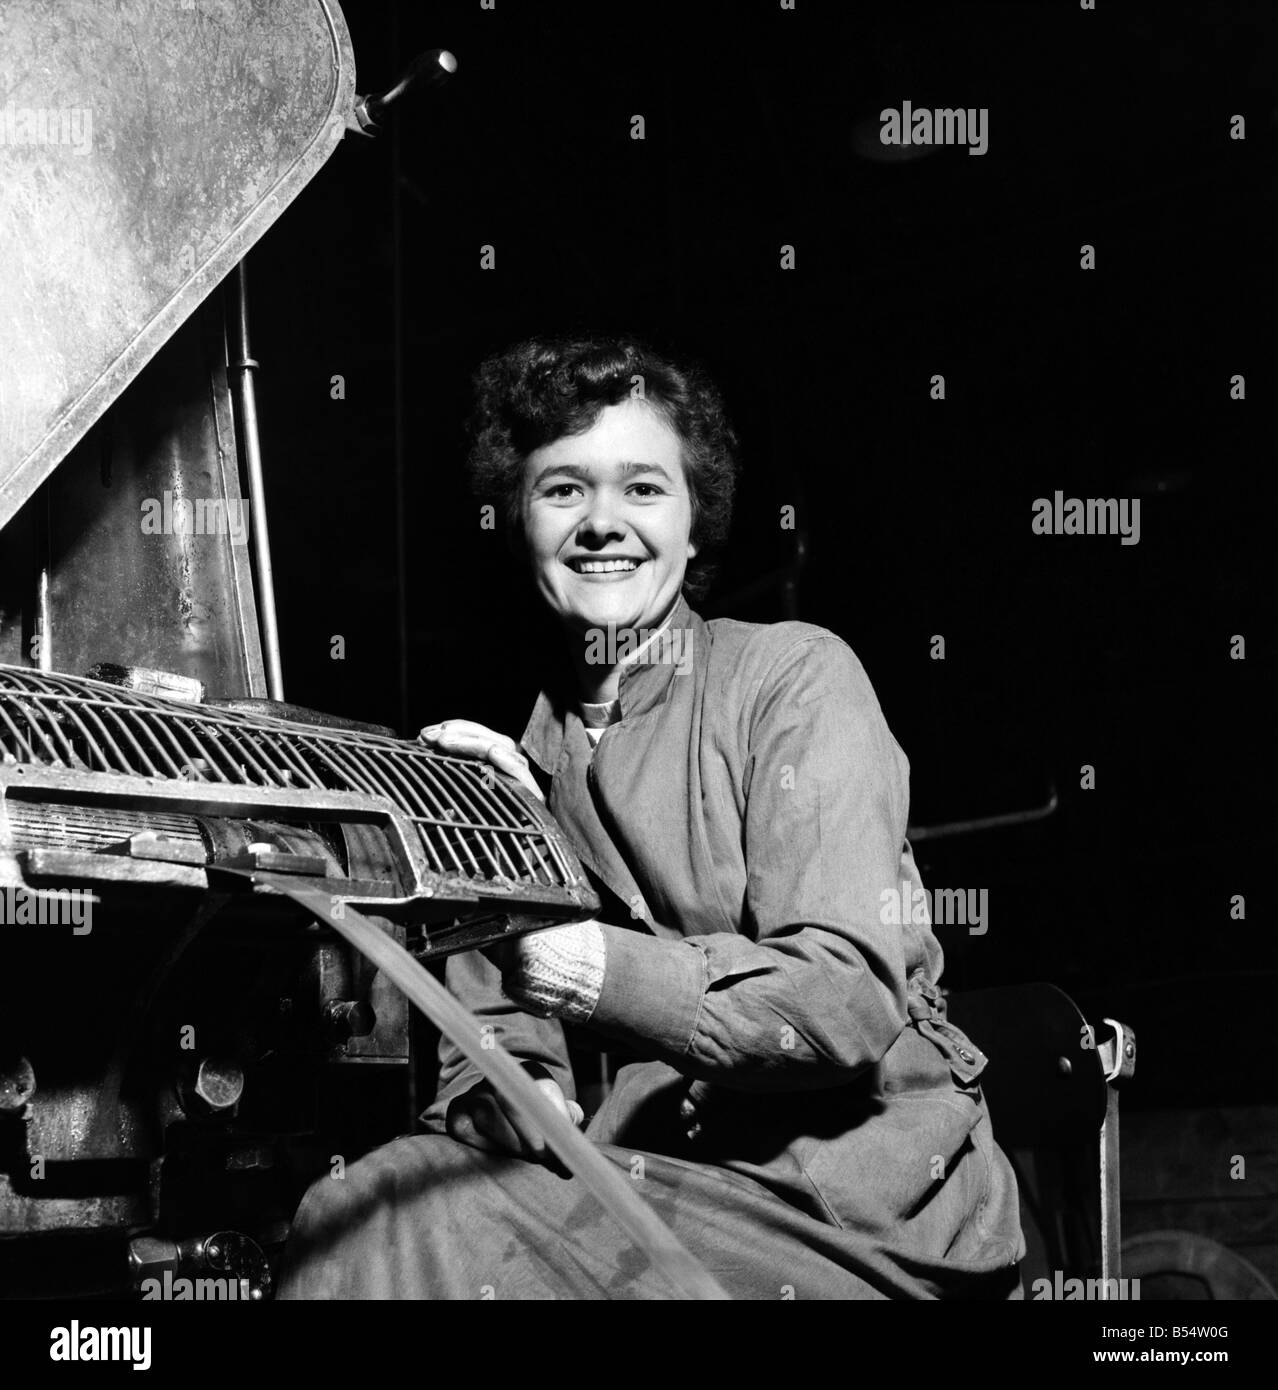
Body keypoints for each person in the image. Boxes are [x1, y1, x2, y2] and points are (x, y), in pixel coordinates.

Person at [277, 333, 1025, 1300]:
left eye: (642, 488)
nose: (601, 523)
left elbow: (841, 1003)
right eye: (562, 490)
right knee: (367, 1203)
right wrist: (521, 1092)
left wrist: (579, 964)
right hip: (660, 1180)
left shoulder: (794, 680)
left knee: (418, 1224)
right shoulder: (513, 766)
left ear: (694, 521)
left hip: (852, 1207)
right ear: (518, 521)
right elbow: (498, 1029)